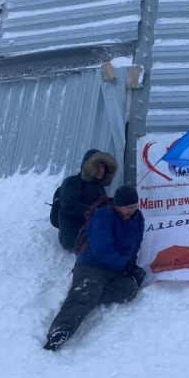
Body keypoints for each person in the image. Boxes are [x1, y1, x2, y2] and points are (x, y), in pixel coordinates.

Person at [44, 184, 146, 351]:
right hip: (92, 265)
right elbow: (101, 249)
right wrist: (125, 265)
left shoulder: (137, 218)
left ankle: (92, 296)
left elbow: (135, 244)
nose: (132, 210)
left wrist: (131, 265)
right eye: (128, 207)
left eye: (135, 206)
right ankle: (59, 330)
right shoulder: (103, 216)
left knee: (130, 289)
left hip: (116, 267)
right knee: (85, 292)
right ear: (118, 205)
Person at [57, 149, 117, 251]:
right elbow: (69, 205)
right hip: (73, 234)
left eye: (102, 166)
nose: (100, 170)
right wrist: (93, 211)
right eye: (97, 166)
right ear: (89, 167)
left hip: (91, 230)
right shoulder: (73, 181)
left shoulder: (100, 187)